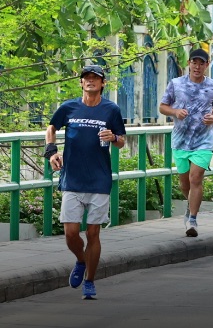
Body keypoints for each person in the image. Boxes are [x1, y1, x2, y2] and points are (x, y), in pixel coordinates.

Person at [45, 65, 126, 299]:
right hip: (72, 177)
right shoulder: (69, 107)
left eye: (95, 78)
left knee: (92, 233)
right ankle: (81, 261)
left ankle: (89, 281)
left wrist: (113, 138)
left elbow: (121, 140)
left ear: (103, 84)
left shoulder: (111, 109)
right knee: (70, 233)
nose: (90, 81)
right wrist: (52, 152)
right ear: (81, 83)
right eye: (86, 78)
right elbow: (51, 127)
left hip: (99, 179)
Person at [159, 49, 213, 237]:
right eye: (194, 62)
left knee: (196, 178)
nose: (197, 66)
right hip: (180, 140)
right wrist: (175, 112)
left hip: (203, 140)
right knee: (184, 183)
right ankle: (190, 205)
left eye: (201, 63)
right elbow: (163, 107)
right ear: (189, 63)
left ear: (207, 65)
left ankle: (192, 220)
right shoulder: (176, 84)